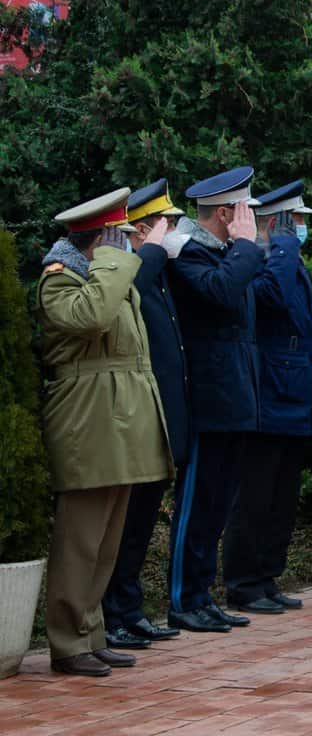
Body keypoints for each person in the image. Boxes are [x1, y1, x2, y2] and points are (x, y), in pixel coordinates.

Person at [38, 188, 173, 676]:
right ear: (100, 242)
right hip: (87, 418)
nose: (128, 247)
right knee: (81, 537)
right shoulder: (60, 280)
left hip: (117, 418)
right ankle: (66, 641)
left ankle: (89, 633)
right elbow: (90, 317)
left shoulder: (106, 277)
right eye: (119, 238)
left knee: (107, 538)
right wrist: (114, 261)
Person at [167, 167, 263, 633]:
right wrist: (245, 246)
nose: (250, 222)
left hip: (235, 396)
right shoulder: (187, 255)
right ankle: (183, 598)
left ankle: (202, 595)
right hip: (207, 400)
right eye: (244, 213)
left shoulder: (226, 255)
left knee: (218, 504)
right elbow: (222, 293)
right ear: (225, 214)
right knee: (197, 503)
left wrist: (240, 249)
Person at [222, 180, 312, 614]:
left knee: (282, 496)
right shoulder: (261, 261)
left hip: (295, 396)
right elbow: (270, 298)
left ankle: (267, 576)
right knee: (255, 496)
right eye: (295, 222)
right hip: (268, 396)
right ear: (277, 223)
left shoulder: (289, 262)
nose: (300, 230)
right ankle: (244, 582)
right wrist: (281, 248)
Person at [101, 180, 188, 651]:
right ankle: (110, 611)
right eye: (167, 224)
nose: (175, 231)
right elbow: (128, 281)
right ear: (139, 232)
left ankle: (129, 608)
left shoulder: (156, 271)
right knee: (124, 521)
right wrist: (150, 250)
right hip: (132, 419)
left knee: (140, 521)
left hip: (159, 418)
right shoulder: (131, 267)